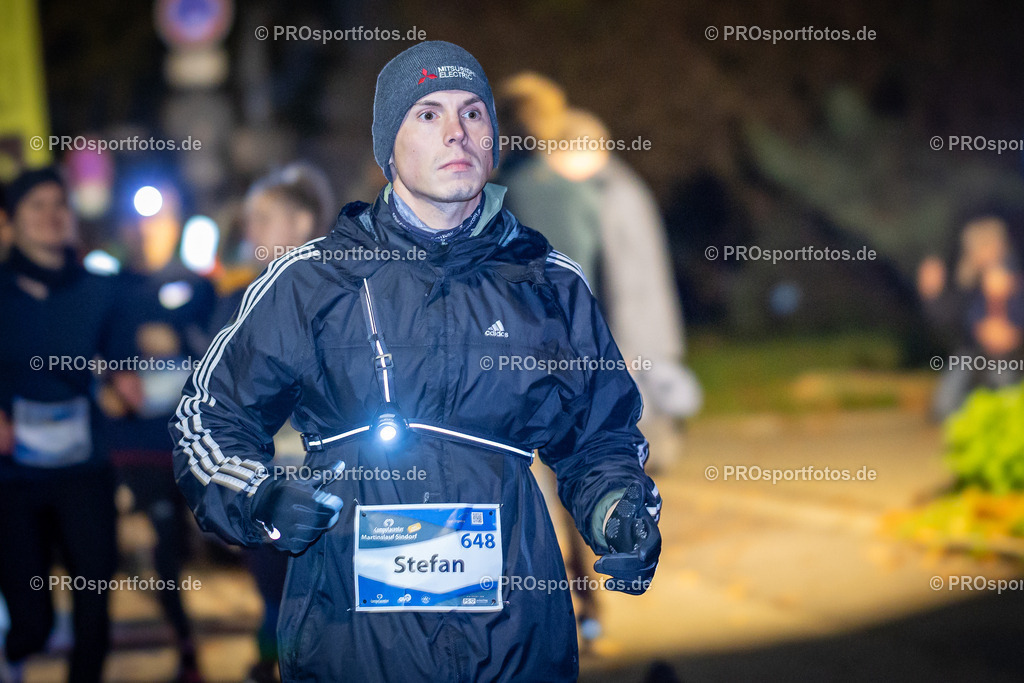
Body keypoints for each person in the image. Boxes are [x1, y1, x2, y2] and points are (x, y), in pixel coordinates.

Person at [171, 41, 661, 682]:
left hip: (517, 638)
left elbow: (601, 436)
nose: (456, 131)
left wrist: (617, 508)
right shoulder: (311, 281)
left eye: (473, 114)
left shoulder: (550, 286)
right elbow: (208, 416)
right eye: (427, 114)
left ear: (493, 140)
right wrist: (258, 496)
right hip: (353, 641)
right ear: (388, 148)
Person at [0, 167, 142, 683]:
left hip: (86, 469)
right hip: (12, 477)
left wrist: (127, 387)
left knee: (93, 601)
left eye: (60, 204)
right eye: (35, 205)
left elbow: (125, 371)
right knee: (32, 623)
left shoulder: (102, 291)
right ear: (10, 221)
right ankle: (15, 650)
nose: (51, 215)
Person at [210, 162, 335, 683]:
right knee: (272, 585)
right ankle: (272, 660)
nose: (251, 231)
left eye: (264, 218)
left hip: (332, 471)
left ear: (302, 221)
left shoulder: (346, 294)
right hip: (267, 472)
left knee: (324, 588)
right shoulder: (240, 299)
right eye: (249, 220)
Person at [102, 187, 215, 683]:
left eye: (162, 216)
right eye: (141, 218)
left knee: (196, 540)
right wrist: (113, 376)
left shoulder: (200, 286)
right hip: (139, 443)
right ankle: (184, 641)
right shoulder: (113, 289)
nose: (151, 227)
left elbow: (222, 344)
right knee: (164, 541)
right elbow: (96, 351)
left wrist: (181, 342)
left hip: (196, 442)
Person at [918, 216, 1024, 419]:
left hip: (1012, 357)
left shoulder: (1016, 279)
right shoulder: (970, 285)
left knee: (1003, 384)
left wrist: (1013, 328)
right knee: (945, 406)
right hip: (974, 356)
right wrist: (932, 296)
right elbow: (948, 321)